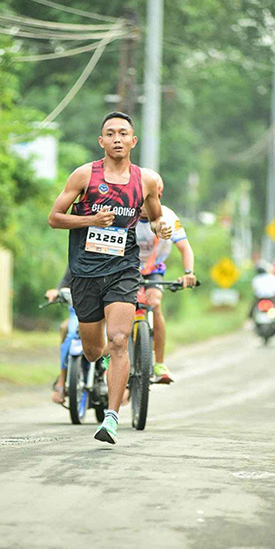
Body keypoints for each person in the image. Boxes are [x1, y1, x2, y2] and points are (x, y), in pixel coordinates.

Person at [47, 111, 169, 445]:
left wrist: (161, 227)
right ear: (101, 141)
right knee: (92, 350)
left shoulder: (145, 180)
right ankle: (103, 365)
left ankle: (111, 418)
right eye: (111, 133)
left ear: (133, 141)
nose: (117, 139)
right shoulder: (84, 175)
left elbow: (155, 217)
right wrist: (90, 220)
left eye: (123, 133)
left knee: (118, 339)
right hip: (85, 272)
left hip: (123, 270)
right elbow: (55, 218)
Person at [135, 183, 195, 385]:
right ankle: (110, 360)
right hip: (127, 269)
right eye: (141, 199)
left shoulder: (168, 217)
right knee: (119, 310)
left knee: (155, 303)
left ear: (157, 198)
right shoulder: (126, 214)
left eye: (149, 199)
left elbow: (185, 248)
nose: (144, 205)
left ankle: (159, 364)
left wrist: (188, 273)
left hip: (154, 269)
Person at [45, 267, 74, 405]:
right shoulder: (78, 260)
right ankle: (62, 379)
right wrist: (57, 291)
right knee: (65, 329)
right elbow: (65, 281)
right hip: (78, 313)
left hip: (104, 313)